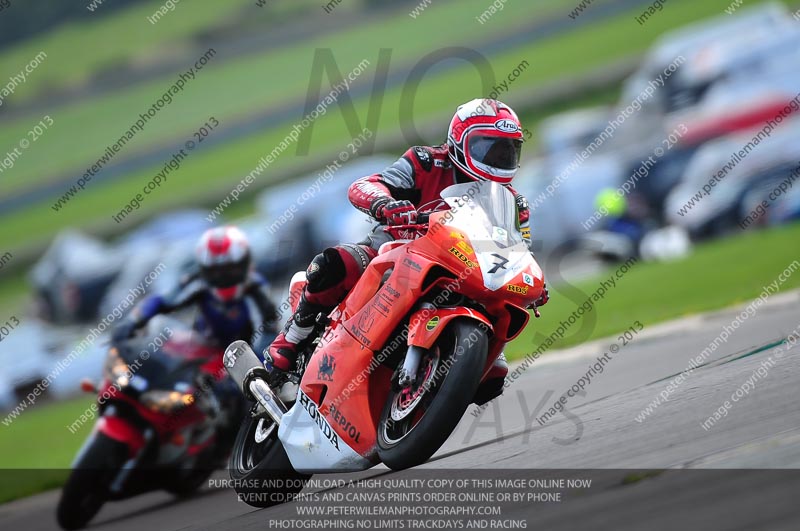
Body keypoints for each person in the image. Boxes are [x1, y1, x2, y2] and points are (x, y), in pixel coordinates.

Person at [267, 99, 549, 404]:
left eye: (507, 151)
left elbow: (519, 251)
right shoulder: (426, 161)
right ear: (459, 141)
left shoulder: (514, 204)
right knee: (336, 264)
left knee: (492, 380)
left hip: (467, 273)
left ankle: (425, 391)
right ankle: (293, 337)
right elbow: (370, 184)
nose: (498, 158)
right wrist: (385, 203)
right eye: (489, 149)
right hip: (399, 246)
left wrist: (533, 284)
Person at [112, 226, 281, 448]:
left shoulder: (257, 290)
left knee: (249, 398)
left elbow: (267, 334)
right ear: (204, 269)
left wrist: (245, 371)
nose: (223, 278)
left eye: (229, 270)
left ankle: (239, 444)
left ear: (243, 265)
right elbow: (162, 302)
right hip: (200, 350)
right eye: (216, 271)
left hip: (241, 358)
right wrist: (133, 322)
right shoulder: (197, 281)